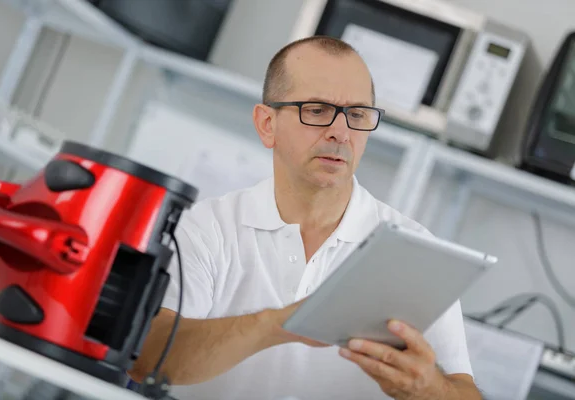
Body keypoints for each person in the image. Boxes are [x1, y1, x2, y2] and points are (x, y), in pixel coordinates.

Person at [129, 36, 482, 400]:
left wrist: (431, 390)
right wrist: (277, 324)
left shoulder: (416, 253)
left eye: (357, 115)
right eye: (316, 110)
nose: (341, 133)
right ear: (267, 124)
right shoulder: (206, 228)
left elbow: (463, 390)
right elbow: (147, 357)